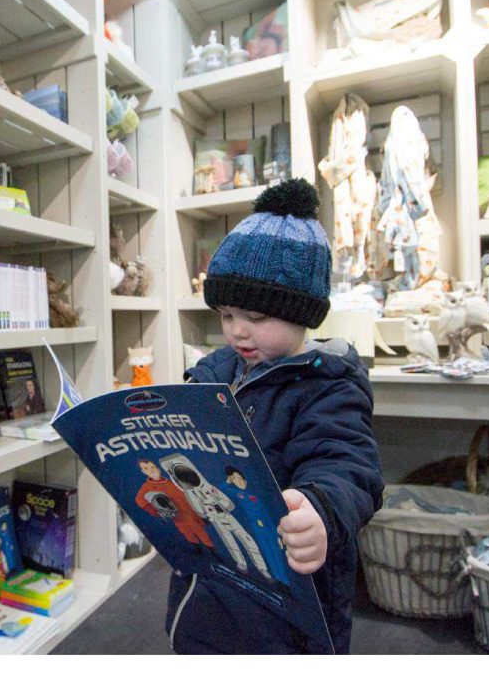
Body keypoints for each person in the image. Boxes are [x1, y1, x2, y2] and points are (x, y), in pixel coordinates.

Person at [166, 178, 383, 654]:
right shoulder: (215, 371)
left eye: (257, 317)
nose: (237, 331)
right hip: (207, 584)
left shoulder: (329, 383)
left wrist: (321, 512)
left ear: (301, 314)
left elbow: (348, 464)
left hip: (288, 605)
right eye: (225, 315)